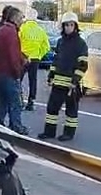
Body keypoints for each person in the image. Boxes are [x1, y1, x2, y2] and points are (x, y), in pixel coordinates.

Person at [37, 12, 88, 142]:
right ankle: (49, 132)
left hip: (71, 84)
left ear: (76, 26)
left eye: (71, 25)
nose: (68, 28)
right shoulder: (60, 42)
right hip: (58, 82)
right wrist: (51, 76)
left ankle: (69, 133)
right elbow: (56, 61)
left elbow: (83, 65)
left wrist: (75, 81)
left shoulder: (81, 44)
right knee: (52, 108)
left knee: (71, 111)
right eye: (66, 25)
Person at [0, 6, 28, 134]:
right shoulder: (11, 33)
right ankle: (17, 128)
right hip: (9, 74)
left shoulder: (1, 30)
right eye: (21, 18)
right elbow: (13, 55)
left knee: (2, 102)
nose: (22, 21)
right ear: (15, 18)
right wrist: (18, 72)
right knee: (15, 103)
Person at [19, 8, 51, 111]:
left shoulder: (22, 28)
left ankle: (19, 99)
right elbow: (47, 47)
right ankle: (31, 102)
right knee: (33, 81)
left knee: (18, 79)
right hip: (35, 58)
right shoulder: (40, 30)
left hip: (23, 58)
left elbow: (16, 42)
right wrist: (39, 55)